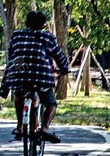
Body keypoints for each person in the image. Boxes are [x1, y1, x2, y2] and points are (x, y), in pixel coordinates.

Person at [4, 11, 69, 143]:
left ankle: (19, 126)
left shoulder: (17, 35)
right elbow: (60, 57)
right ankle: (45, 127)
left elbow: (11, 55)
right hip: (41, 77)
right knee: (51, 103)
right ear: (44, 25)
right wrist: (64, 69)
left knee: (19, 95)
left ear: (26, 23)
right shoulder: (48, 37)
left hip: (19, 75)